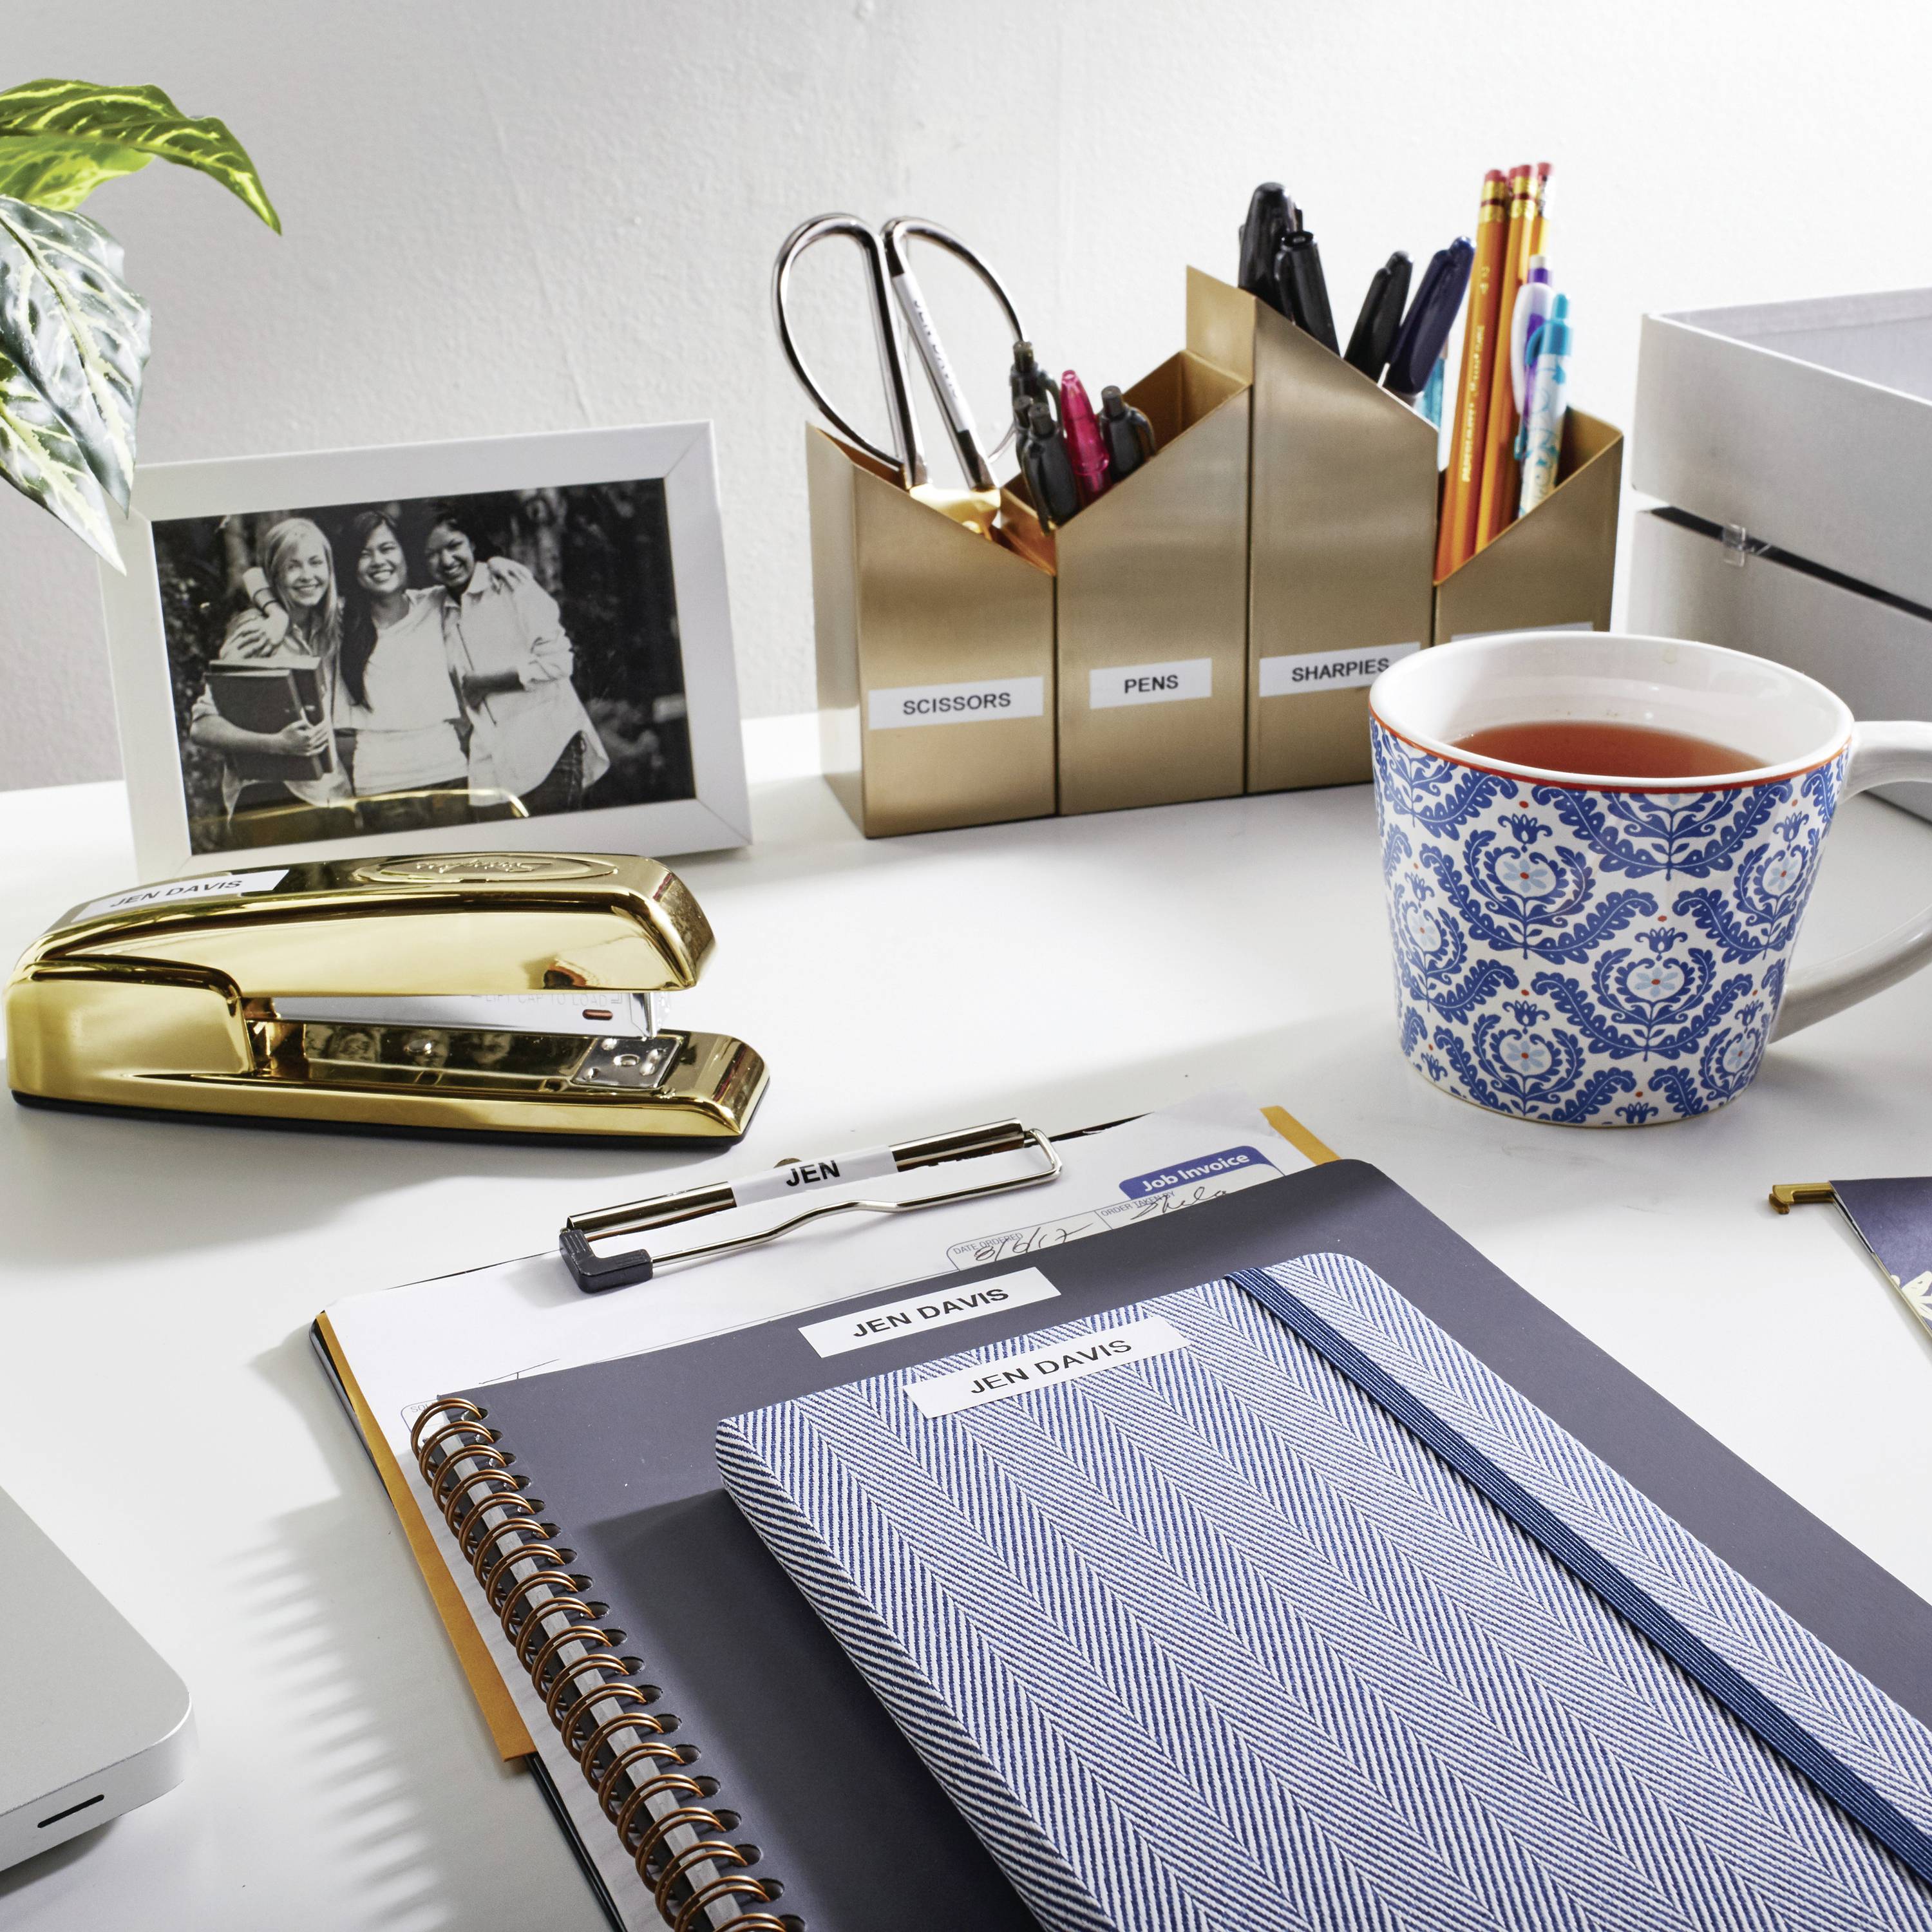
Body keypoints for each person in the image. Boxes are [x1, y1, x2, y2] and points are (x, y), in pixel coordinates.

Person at [422, 501, 611, 819]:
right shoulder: (435, 608)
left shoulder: (511, 585)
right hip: (491, 765)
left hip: (550, 748)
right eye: (432, 554)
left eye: (454, 545)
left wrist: (487, 683)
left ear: (472, 542)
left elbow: (559, 663)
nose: (446, 560)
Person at [187, 517, 355, 849]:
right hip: (271, 801)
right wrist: (277, 743)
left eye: (316, 562)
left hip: (333, 796)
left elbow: (253, 575)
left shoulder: (331, 626)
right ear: (276, 574)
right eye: (293, 566)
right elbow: (202, 727)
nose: (307, 576)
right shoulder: (256, 633)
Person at [333, 509, 473, 835]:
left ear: (405, 554)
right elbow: (260, 575)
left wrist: (499, 566)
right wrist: (272, 612)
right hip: (381, 788)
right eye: (364, 554)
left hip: (449, 778)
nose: (378, 561)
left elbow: (480, 575)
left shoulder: (436, 603)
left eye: (387, 548)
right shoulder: (339, 621)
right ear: (351, 567)